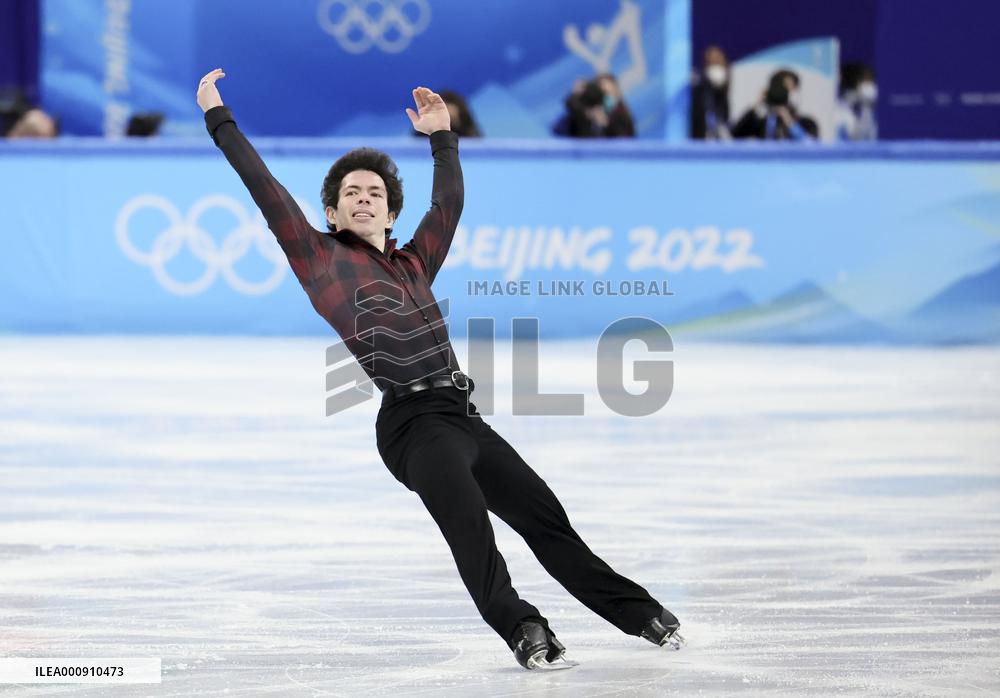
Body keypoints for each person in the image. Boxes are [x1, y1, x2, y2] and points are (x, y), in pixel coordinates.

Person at [195, 67, 684, 670]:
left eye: (374, 192)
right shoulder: (318, 258)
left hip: (462, 415)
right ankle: (525, 628)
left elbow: (448, 204)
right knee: (471, 531)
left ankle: (645, 618)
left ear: (390, 215)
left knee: (546, 520)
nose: (364, 197)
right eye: (351, 193)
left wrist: (442, 137)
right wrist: (220, 118)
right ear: (331, 212)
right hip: (410, 427)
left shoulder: (414, 263)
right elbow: (263, 185)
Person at [732, 68, 818, 141]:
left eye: (792, 88)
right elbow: (735, 135)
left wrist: (790, 122)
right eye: (783, 89)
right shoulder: (762, 123)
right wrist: (756, 106)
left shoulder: (808, 123)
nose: (786, 93)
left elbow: (811, 146)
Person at [690, 45, 731, 140]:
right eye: (710, 59)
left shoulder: (721, 75)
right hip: (701, 122)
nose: (712, 60)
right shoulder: (701, 79)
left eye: (715, 59)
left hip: (718, 119)